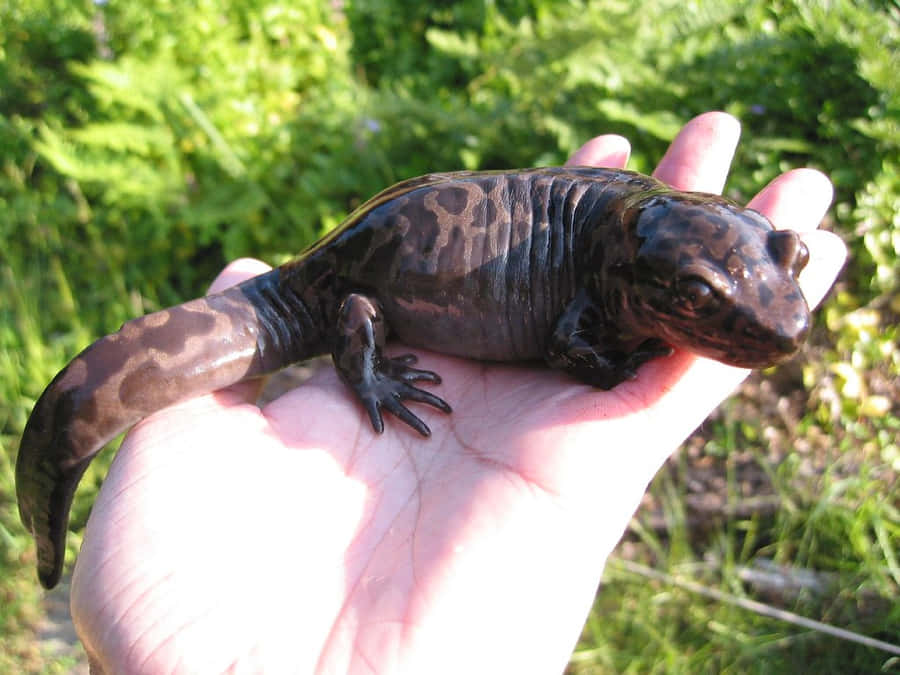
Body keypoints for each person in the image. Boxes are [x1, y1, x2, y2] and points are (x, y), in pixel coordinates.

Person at [69, 112, 846, 674]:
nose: (781, 321)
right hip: (355, 287)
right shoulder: (612, 264)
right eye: (700, 299)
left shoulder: (631, 241)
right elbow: (573, 346)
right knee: (336, 310)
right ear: (629, 276)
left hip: (393, 239)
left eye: (789, 256)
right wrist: (367, 373)